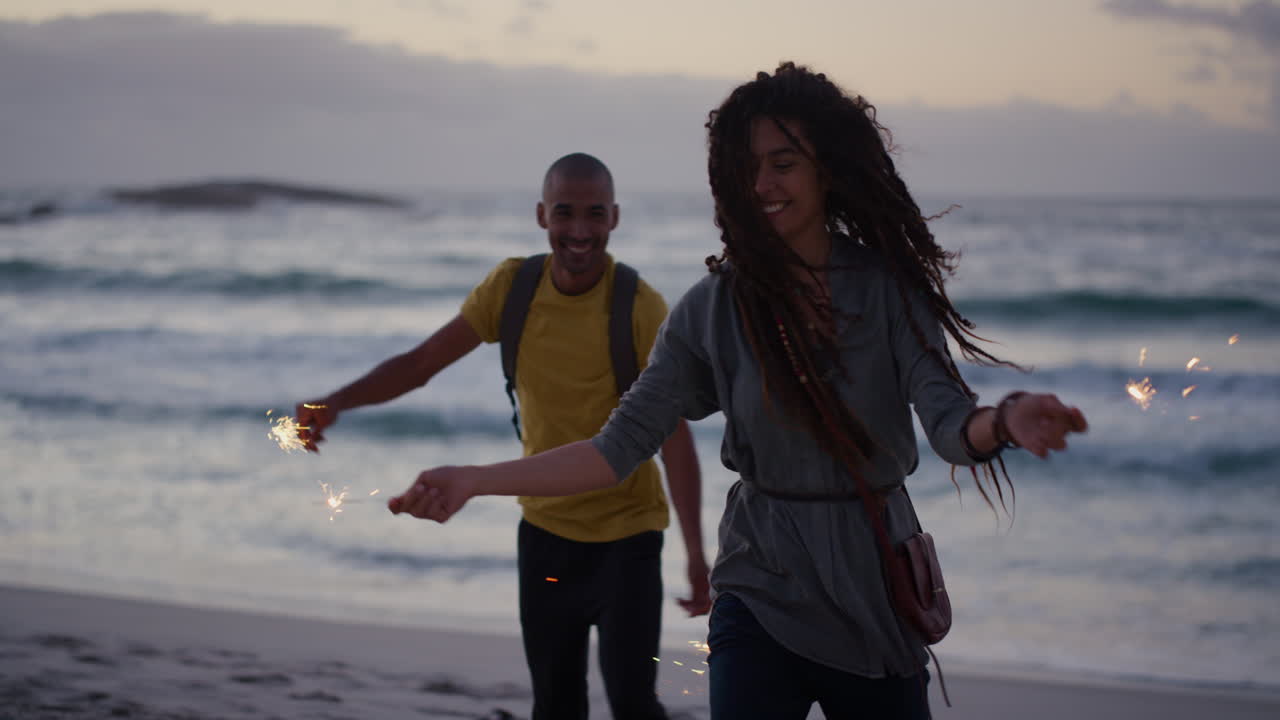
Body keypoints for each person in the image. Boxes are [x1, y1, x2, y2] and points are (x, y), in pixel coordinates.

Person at [388, 64, 1089, 720]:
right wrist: (474, 479)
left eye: (782, 164)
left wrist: (1005, 419)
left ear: (827, 169)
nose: (762, 185)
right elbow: (616, 450)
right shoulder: (711, 309)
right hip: (758, 583)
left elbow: (948, 426)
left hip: (873, 588)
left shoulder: (886, 292)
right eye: (745, 168)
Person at [298, 153, 708, 720]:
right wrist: (335, 403)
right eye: (565, 213)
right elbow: (420, 364)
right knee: (555, 704)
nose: (581, 231)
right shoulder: (511, 290)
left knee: (634, 703)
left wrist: (696, 554)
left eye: (595, 214)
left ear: (615, 217)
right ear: (542, 215)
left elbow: (674, 439)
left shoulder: (639, 307)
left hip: (629, 541)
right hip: (544, 535)